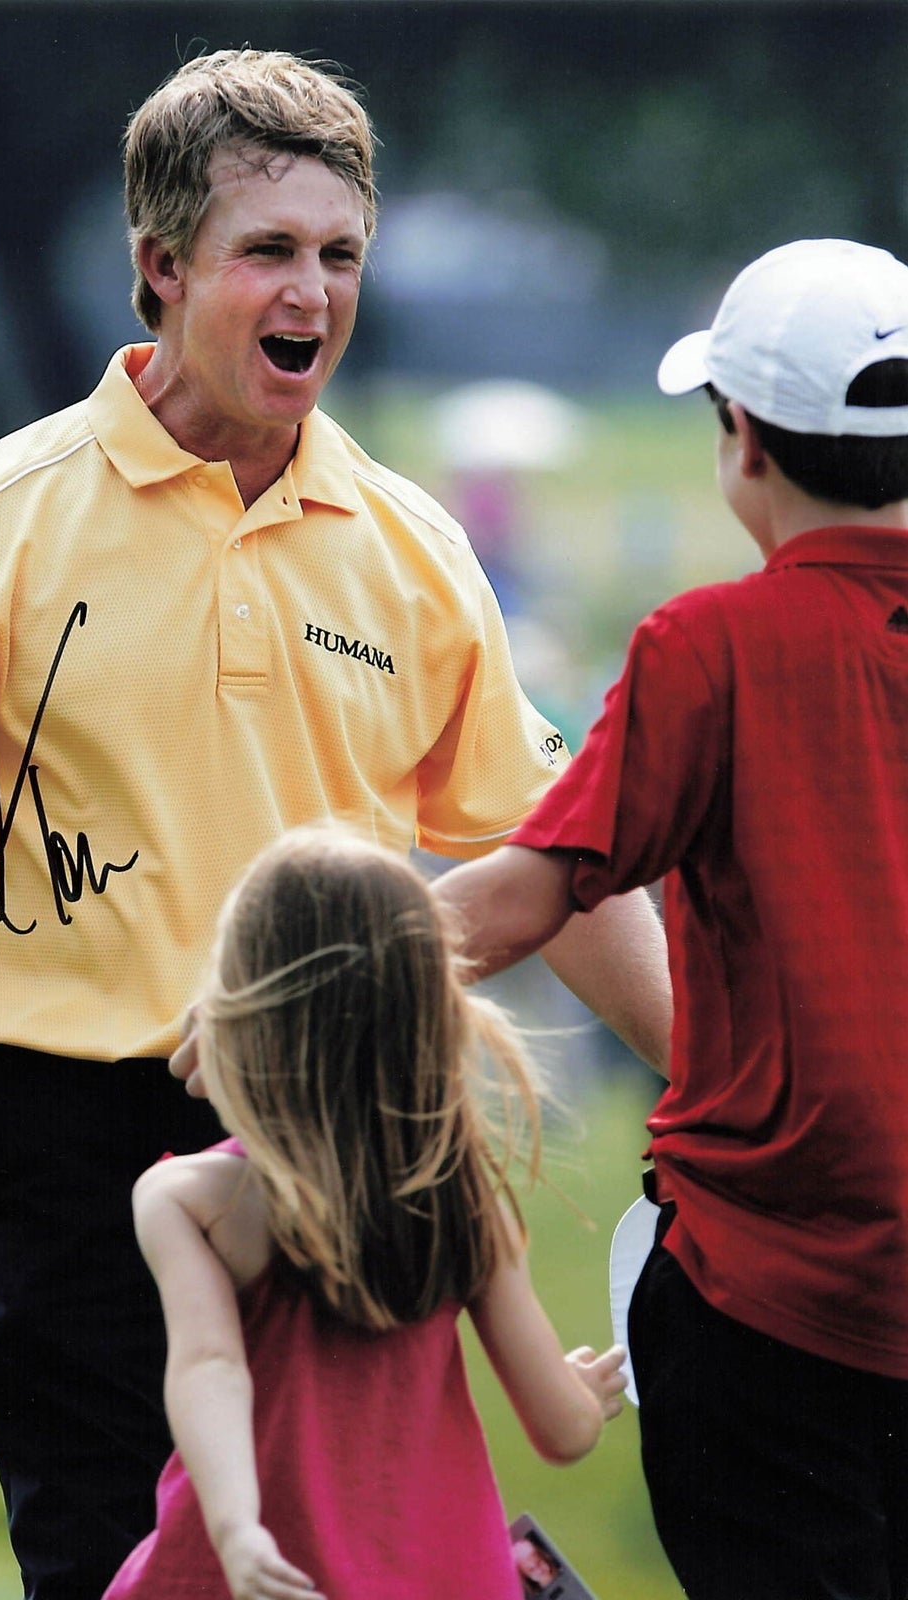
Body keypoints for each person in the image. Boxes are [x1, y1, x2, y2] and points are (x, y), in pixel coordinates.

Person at [0, 49, 670, 1600]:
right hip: (69, 1138)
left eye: (340, 254)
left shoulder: (413, 548)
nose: (310, 290)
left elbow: (556, 859)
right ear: (162, 266)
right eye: (269, 250)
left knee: (341, 1555)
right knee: (109, 1558)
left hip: (342, 1128)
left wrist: (707, 1076)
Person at [434, 238, 908, 1599]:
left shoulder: (706, 651)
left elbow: (522, 898)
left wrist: (286, 980)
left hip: (760, 1300)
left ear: (740, 436)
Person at [104, 827, 626, 1600]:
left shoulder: (190, 1199)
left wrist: (236, 1527)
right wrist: (580, 1392)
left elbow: (209, 1367)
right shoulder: (461, 1197)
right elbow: (563, 1432)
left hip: (248, 1575)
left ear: (241, 1009)